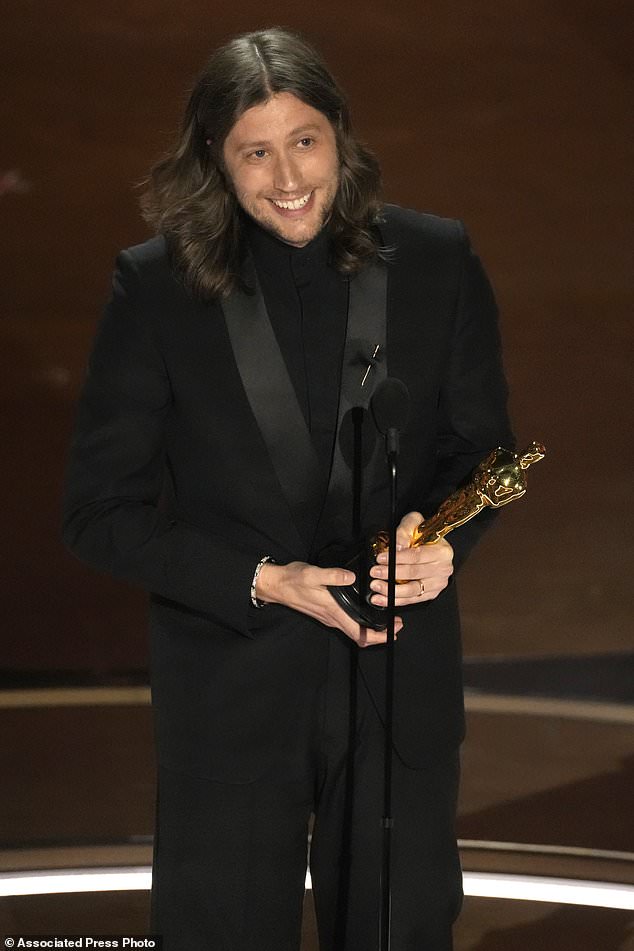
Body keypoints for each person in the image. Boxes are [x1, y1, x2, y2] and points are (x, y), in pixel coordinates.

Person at [63, 26, 513, 951]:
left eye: (304, 140)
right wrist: (266, 577)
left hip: (398, 685)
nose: (287, 176)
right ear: (216, 164)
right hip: (232, 691)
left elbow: (482, 451)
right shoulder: (154, 290)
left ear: (340, 135)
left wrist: (442, 545)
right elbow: (98, 513)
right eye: (254, 152)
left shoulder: (437, 259)